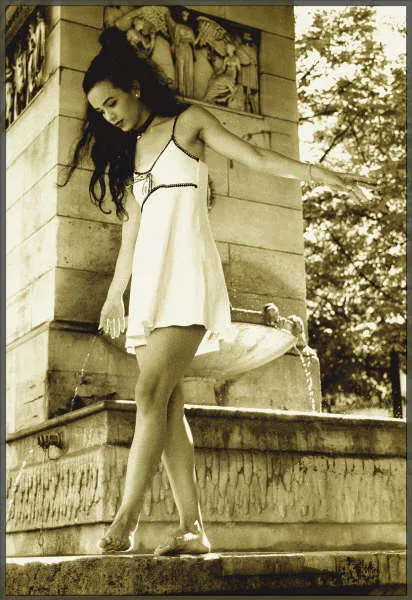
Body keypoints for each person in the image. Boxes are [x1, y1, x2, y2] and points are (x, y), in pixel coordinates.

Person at [60, 27, 374, 555]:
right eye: (99, 110)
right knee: (167, 405)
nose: (107, 115)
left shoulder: (188, 123)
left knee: (149, 393)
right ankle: (193, 530)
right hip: (150, 286)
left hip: (187, 276)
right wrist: (115, 295)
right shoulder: (128, 153)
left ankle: (126, 519)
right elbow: (131, 235)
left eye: (111, 102)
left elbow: (256, 158)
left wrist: (320, 173)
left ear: (134, 86)